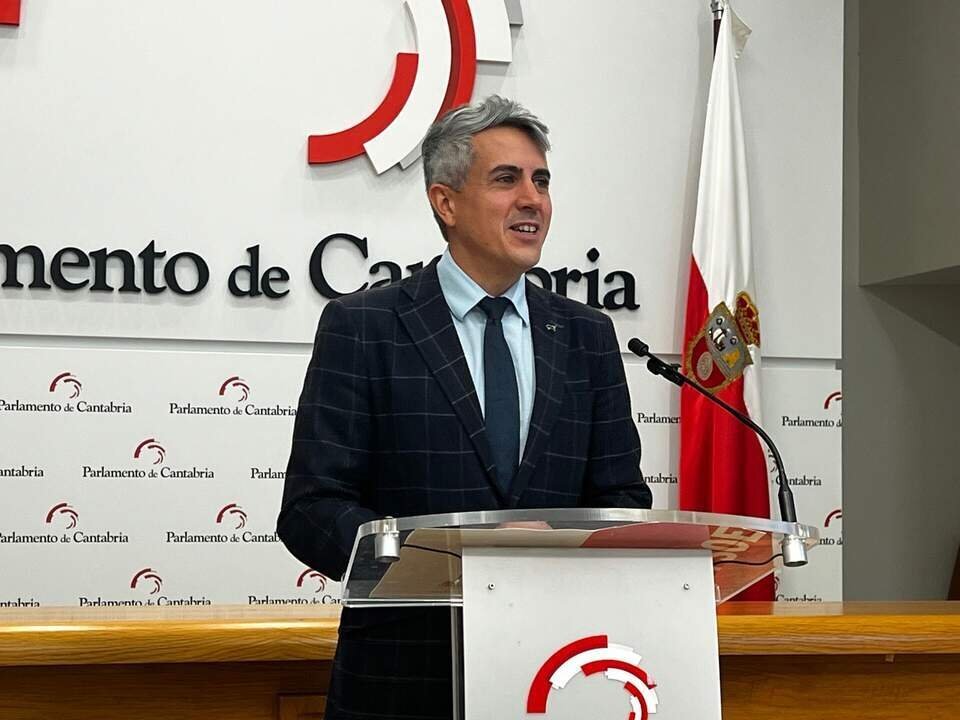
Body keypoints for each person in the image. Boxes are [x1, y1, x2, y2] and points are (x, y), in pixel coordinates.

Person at [277, 95, 651, 720]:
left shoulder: (587, 335)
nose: (532, 199)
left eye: (541, 181)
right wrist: (445, 558)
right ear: (445, 202)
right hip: (402, 682)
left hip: (557, 675)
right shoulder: (365, 326)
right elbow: (312, 509)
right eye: (506, 180)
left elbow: (622, 499)